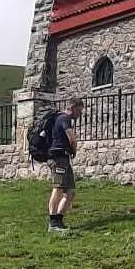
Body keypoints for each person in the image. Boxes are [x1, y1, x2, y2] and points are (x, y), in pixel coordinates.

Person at [47, 97, 82, 232]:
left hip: (64, 158)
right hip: (58, 158)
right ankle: (52, 222)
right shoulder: (64, 119)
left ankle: (59, 220)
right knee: (59, 188)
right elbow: (72, 138)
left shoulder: (63, 119)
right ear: (73, 107)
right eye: (79, 110)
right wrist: (74, 150)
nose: (80, 114)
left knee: (70, 192)